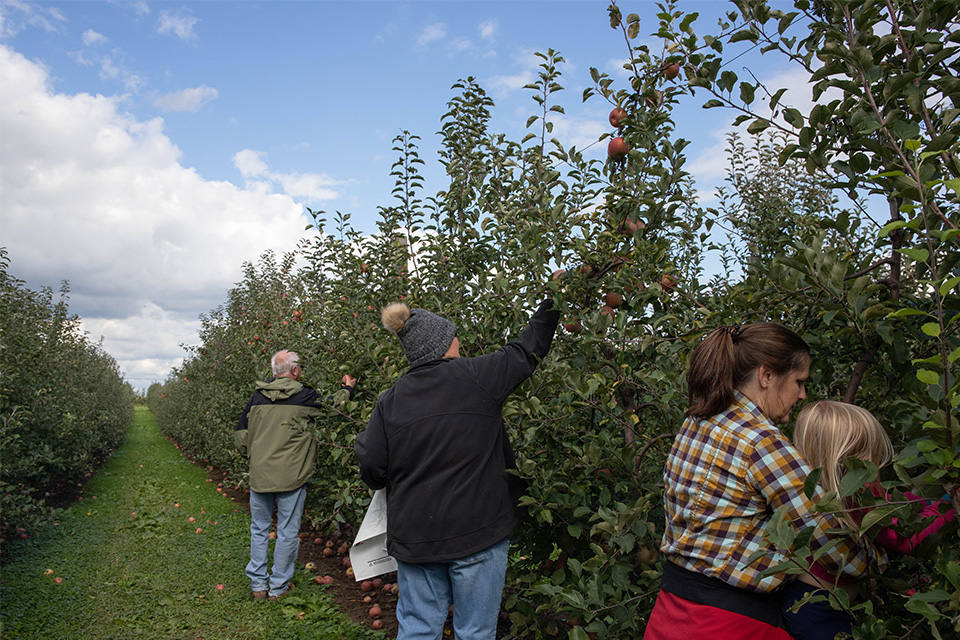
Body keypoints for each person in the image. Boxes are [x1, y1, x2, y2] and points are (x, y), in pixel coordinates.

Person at [643, 323, 884, 640]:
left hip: (672, 613)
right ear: (767, 376)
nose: (802, 394)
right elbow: (824, 535)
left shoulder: (698, 420)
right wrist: (877, 560)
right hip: (729, 624)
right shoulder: (760, 440)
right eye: (798, 381)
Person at [355, 298, 559, 640]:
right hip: (478, 531)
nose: (459, 341)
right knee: (475, 631)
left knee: (418, 629)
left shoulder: (390, 401)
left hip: (416, 538)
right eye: (454, 336)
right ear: (442, 343)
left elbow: (372, 467)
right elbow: (527, 350)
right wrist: (554, 300)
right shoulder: (478, 376)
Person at [780, 400, 958, 640]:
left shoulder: (831, 491)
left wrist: (933, 499)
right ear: (845, 459)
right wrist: (950, 503)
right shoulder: (854, 496)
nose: (875, 463)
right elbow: (908, 538)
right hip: (818, 611)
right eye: (867, 455)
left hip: (817, 605)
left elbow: (897, 502)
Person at [235, 349, 356, 600]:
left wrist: (257, 457)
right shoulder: (304, 396)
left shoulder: (256, 398)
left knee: (259, 529)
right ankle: (278, 588)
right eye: (300, 368)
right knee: (287, 531)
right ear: (293, 371)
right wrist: (348, 389)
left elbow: (241, 437)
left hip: (260, 475)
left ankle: (258, 585)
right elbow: (334, 408)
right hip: (292, 476)